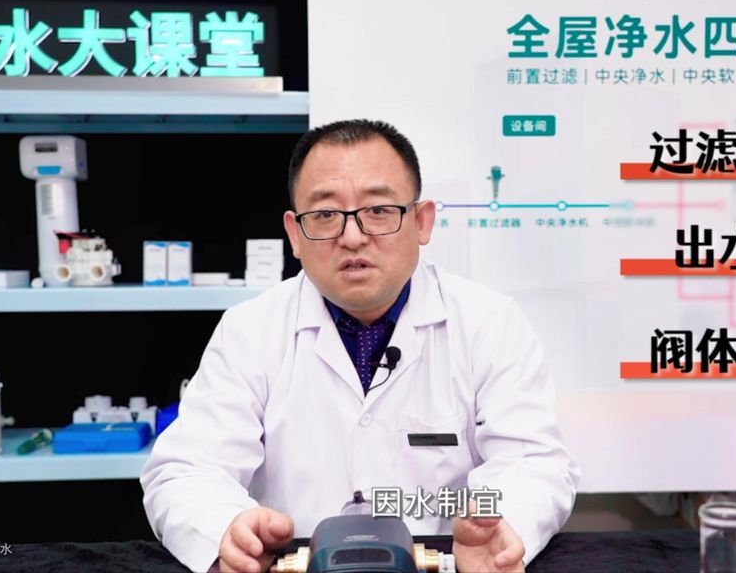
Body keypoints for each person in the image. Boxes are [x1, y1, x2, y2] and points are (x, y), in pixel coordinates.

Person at [140, 119, 580, 572]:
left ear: (422, 221)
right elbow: (185, 470)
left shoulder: (488, 323)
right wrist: (227, 529)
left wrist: (498, 527)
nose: (352, 237)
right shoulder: (249, 330)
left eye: (379, 210)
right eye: (325, 215)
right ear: (295, 234)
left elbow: (533, 463)